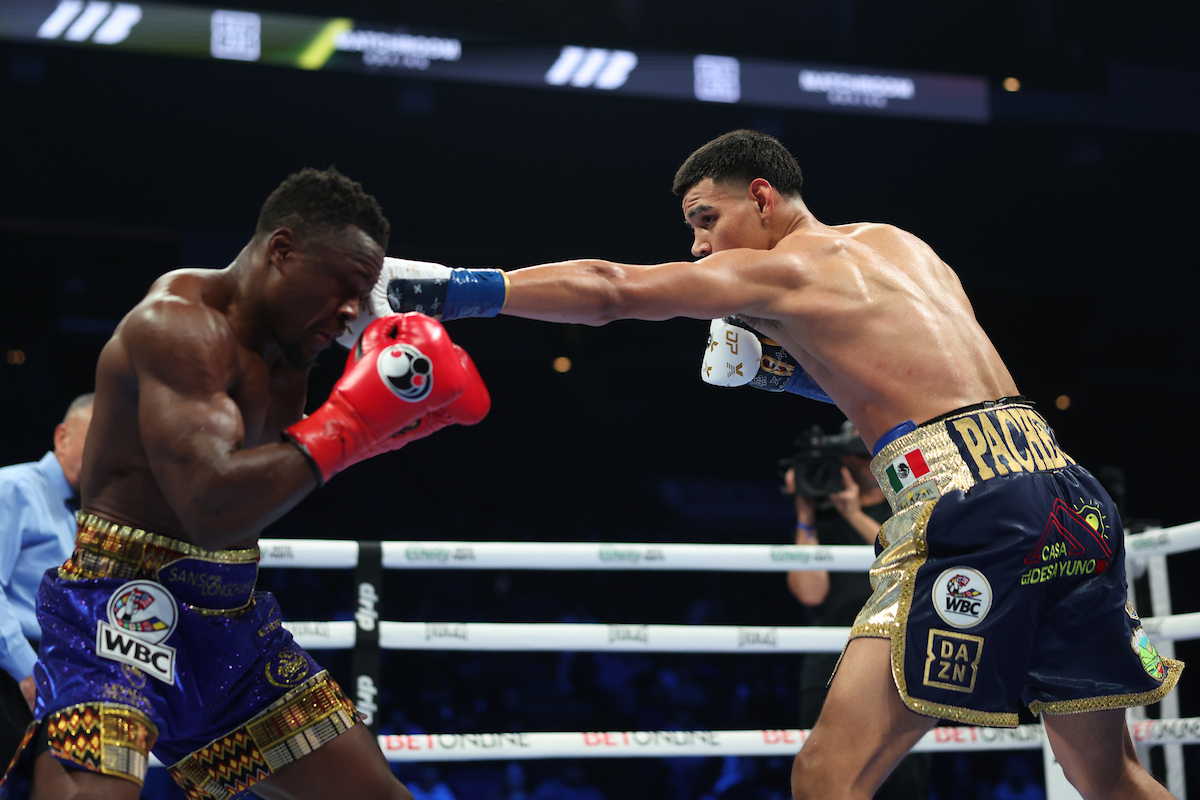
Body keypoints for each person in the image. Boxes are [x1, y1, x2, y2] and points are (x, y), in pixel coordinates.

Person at [367, 130, 1181, 799]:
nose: (698, 245)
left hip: (972, 504)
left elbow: (611, 289)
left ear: (762, 196)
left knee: (827, 775)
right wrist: (781, 373)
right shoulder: (902, 245)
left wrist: (450, 291)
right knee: (1107, 778)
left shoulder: (778, 269)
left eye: (706, 218)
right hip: (1066, 490)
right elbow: (911, 383)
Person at [0, 167, 491, 800]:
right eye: (342, 287)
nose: (351, 310)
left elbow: (265, 485)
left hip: (229, 622)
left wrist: (381, 435)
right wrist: (356, 421)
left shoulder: (293, 350)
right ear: (281, 251)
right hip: (121, 609)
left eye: (361, 293)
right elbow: (210, 507)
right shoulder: (176, 325)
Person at [783, 423, 929, 800]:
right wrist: (805, 512)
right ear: (842, 460)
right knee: (823, 775)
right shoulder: (821, 515)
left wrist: (853, 514)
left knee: (901, 782)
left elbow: (914, 562)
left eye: (870, 454)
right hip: (829, 656)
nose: (866, 463)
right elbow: (810, 592)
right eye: (856, 455)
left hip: (894, 653)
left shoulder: (905, 505)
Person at [0, 394, 94, 763]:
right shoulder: (13, 487)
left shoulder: (86, 512)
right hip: (13, 669)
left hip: (63, 673)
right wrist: (26, 671)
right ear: (62, 437)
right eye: (96, 439)